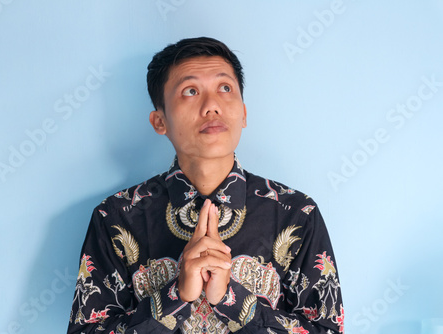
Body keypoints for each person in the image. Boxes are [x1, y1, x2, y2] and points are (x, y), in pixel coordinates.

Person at [67, 37, 344, 334]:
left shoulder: (296, 213)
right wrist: (174, 297)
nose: (212, 105)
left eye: (225, 88)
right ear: (160, 121)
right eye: (190, 91)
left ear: (244, 113)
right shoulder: (116, 217)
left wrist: (233, 300)